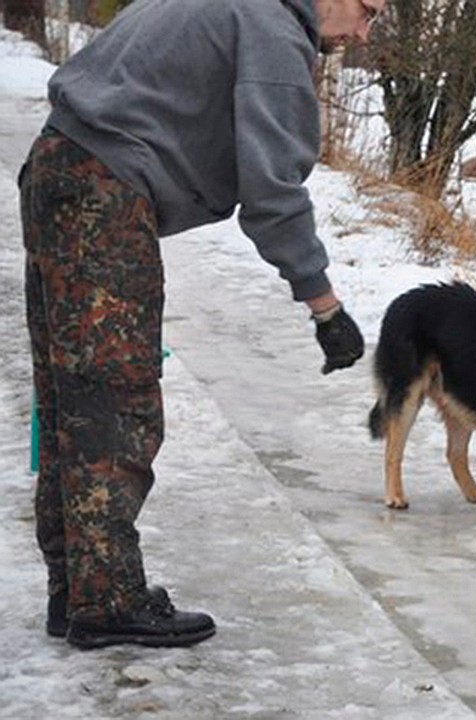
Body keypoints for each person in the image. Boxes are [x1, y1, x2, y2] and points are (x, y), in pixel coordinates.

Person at [19, 0, 383, 649]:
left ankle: (77, 588)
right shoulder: (274, 32)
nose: (362, 33)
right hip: (105, 194)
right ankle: (104, 601)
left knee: (71, 399)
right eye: (367, 11)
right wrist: (324, 305)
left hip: (56, 167)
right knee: (114, 401)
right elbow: (273, 193)